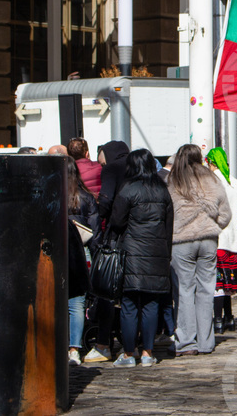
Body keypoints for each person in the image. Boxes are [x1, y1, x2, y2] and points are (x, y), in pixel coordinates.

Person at [108, 149, 174, 367]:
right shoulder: (162, 191)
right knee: (151, 304)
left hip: (132, 252)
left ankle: (128, 354)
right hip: (157, 253)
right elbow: (168, 227)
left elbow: (117, 222)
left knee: (128, 304)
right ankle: (147, 352)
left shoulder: (128, 189)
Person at [167, 144, 231, 356]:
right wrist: (213, 227)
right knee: (206, 290)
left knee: (184, 290)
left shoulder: (173, 180)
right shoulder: (212, 179)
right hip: (208, 239)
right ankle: (206, 342)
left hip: (181, 241)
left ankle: (187, 342)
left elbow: (167, 212)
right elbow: (225, 214)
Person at [86, 139, 131, 363]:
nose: (100, 165)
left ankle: (104, 343)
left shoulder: (112, 169)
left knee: (107, 290)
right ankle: (131, 345)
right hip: (139, 238)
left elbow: (105, 203)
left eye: (101, 160)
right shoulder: (137, 166)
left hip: (116, 237)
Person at [205, 147, 237, 334]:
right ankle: (229, 318)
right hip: (235, 240)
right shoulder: (235, 183)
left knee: (217, 282)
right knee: (228, 283)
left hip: (219, 237)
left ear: (211, 162)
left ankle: (218, 320)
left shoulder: (213, 182)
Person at [66, 159, 99, 366]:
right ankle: (74, 349)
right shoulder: (85, 197)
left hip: (54, 252)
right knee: (77, 303)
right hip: (81, 251)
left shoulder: (50, 194)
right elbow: (95, 231)